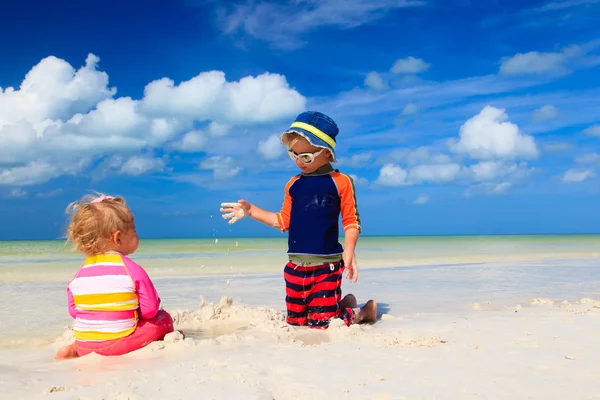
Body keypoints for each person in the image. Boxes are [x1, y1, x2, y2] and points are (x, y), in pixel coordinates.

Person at [220, 111, 377, 329]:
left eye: (306, 157)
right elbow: (284, 221)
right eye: (293, 154)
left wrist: (349, 251)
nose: (298, 162)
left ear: (326, 153)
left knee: (322, 324)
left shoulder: (341, 182)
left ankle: (363, 311)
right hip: (295, 266)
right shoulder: (293, 184)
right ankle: (342, 304)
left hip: (327, 265)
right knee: (296, 322)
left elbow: (351, 221)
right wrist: (251, 211)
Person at [55, 194, 174, 359]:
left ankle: (74, 349)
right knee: (163, 319)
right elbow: (150, 310)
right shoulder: (132, 269)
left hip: (84, 343)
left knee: (89, 338)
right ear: (118, 238)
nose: (137, 234)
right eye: (134, 229)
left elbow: (74, 311)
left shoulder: (79, 274)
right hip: (116, 345)